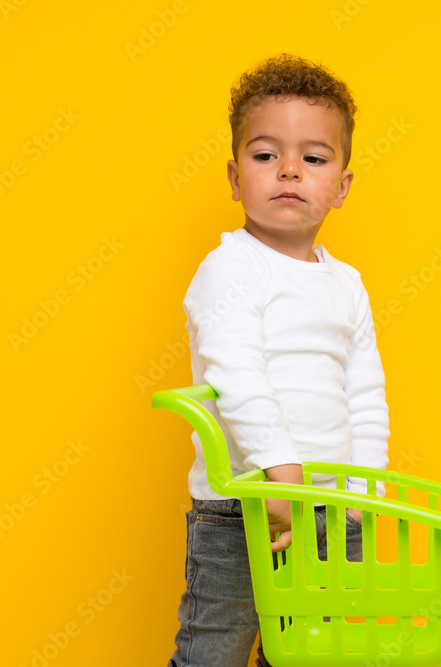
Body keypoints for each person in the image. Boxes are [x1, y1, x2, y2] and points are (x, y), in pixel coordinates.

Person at [169, 52, 390, 667]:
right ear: (236, 178)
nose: (289, 169)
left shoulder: (347, 284)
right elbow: (237, 376)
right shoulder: (230, 268)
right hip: (243, 509)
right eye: (266, 155)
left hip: (331, 510)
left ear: (341, 186)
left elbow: (365, 395)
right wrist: (281, 476)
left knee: (308, 655)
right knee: (214, 649)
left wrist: (364, 495)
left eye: (313, 159)